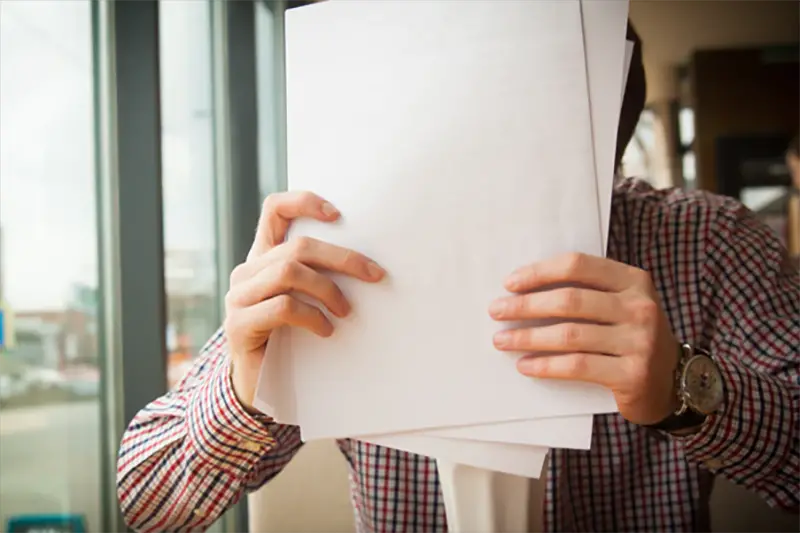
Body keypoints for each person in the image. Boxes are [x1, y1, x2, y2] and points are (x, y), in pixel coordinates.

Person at [116, 23, 799, 533]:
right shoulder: (340, 252)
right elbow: (146, 499)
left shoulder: (705, 242)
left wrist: (685, 388)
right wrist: (244, 382)